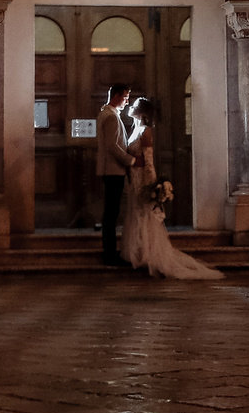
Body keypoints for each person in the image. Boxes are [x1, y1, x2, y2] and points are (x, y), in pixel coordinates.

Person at [119, 96, 223, 280]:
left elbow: (148, 161)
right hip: (133, 179)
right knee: (135, 214)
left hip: (142, 179)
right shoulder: (134, 130)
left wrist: (152, 185)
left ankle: (150, 254)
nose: (130, 107)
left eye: (134, 106)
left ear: (142, 112)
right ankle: (139, 251)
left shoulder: (146, 131)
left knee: (146, 215)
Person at [95, 85, 133, 266]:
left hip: (111, 169)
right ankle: (109, 253)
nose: (127, 101)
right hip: (112, 169)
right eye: (125, 97)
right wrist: (130, 161)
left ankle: (109, 251)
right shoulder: (110, 116)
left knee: (111, 212)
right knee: (111, 213)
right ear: (117, 95)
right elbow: (112, 146)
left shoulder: (109, 114)